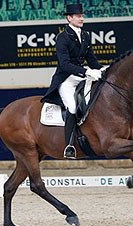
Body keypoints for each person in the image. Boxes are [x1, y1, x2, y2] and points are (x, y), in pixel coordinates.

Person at [41, 3, 103, 159]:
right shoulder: (62, 37)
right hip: (66, 79)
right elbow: (65, 64)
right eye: (78, 16)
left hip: (81, 77)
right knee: (73, 107)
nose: (82, 18)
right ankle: (69, 145)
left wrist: (103, 71)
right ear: (69, 18)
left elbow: (92, 60)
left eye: (82, 16)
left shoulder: (85, 35)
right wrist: (86, 71)